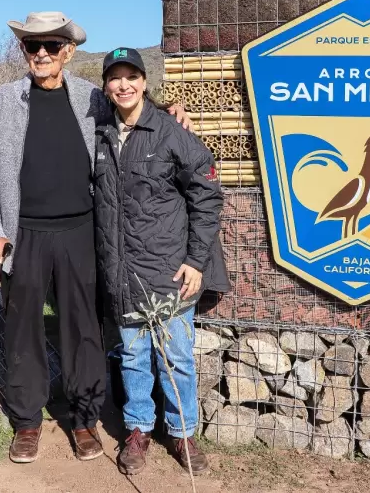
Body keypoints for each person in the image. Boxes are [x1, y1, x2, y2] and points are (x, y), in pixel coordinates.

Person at [0, 12, 192, 464]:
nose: (43, 54)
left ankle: (84, 419)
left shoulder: (91, 97)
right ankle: (27, 422)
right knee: (23, 331)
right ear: (24, 52)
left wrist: (169, 112)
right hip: (23, 233)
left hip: (80, 231)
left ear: (68, 51)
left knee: (83, 328)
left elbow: (133, 112)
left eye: (52, 46)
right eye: (34, 47)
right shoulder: (2, 101)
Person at [92, 47, 229, 476]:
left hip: (170, 269)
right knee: (132, 357)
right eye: (115, 78)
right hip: (122, 272)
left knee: (177, 358)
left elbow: (207, 195)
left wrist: (196, 260)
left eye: (132, 75)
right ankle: (138, 430)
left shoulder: (170, 131)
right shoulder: (98, 136)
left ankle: (183, 432)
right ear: (106, 86)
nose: (124, 84)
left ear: (145, 82)